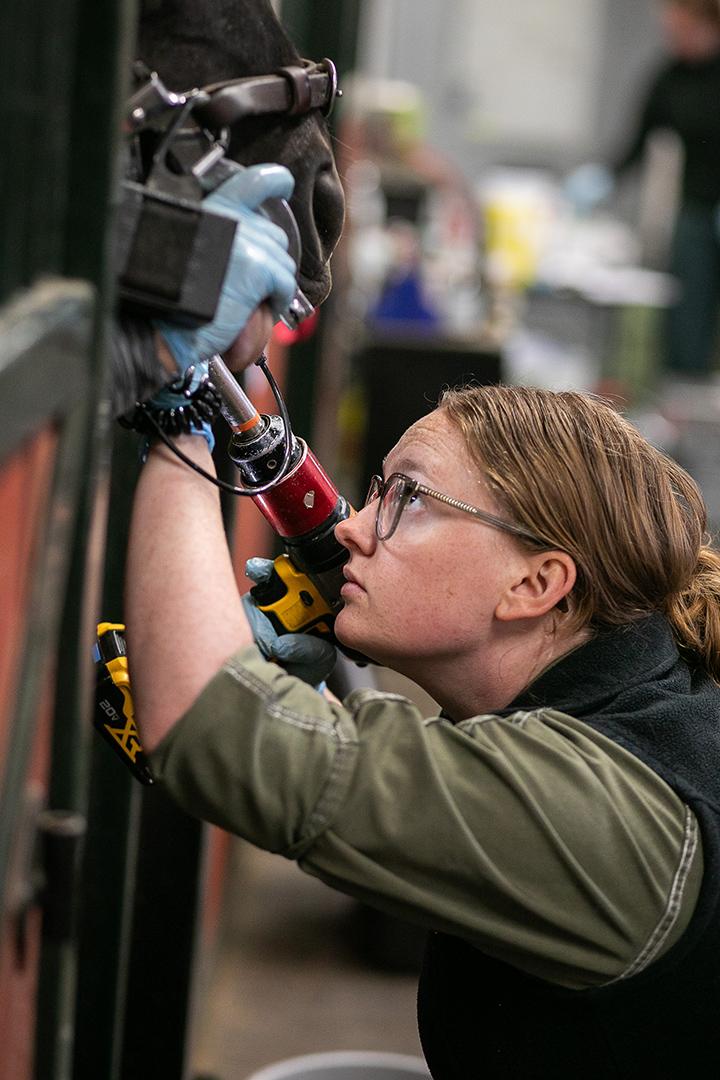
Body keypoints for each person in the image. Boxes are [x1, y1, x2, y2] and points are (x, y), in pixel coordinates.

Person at [126, 323, 720, 1076]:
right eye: (377, 490)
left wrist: (177, 417)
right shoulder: (639, 704)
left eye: (407, 498)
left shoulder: (606, 810)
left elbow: (214, 727)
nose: (352, 527)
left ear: (536, 585)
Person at [569, 0, 720, 378]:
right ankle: (686, 399)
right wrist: (603, 178)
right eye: (670, 31)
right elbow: (636, 143)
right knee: (687, 320)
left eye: (684, 31)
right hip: (697, 215)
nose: (675, 39)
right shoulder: (670, 77)